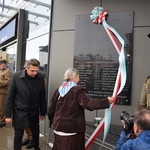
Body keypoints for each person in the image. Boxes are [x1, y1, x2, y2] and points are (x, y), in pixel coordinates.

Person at [48, 68, 116, 150]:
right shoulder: (77, 90)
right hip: (72, 130)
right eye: (78, 76)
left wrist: (54, 122)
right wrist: (106, 101)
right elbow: (89, 104)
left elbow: (51, 109)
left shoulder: (59, 90)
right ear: (75, 77)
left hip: (58, 128)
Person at [5, 58, 47, 150]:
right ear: (26, 68)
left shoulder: (40, 78)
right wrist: (8, 115)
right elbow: (10, 97)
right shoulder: (16, 77)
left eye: (36, 70)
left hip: (34, 112)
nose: (35, 73)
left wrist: (43, 112)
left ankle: (36, 148)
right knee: (18, 136)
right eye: (32, 70)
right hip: (20, 112)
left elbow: (42, 96)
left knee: (35, 134)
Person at [0, 59, 12, 127]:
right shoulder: (1, 71)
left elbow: (8, 82)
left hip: (3, 92)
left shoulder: (7, 72)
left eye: (0, 64)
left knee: (2, 108)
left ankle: (2, 121)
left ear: (4, 64)